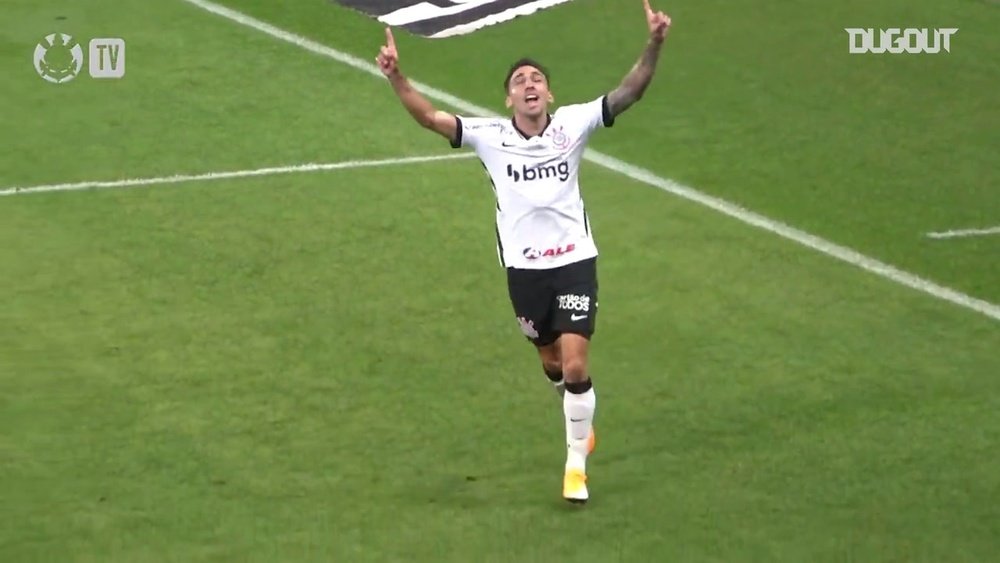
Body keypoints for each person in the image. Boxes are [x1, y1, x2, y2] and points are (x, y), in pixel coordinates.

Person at [376, 0, 671, 504]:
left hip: (575, 260)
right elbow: (429, 117)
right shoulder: (489, 137)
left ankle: (575, 465)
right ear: (509, 98)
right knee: (553, 364)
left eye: (536, 78)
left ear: (548, 92)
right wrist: (397, 78)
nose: (529, 84)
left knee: (577, 364)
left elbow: (629, 93)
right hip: (524, 270)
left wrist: (655, 43)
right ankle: (574, 410)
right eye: (520, 81)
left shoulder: (573, 125)